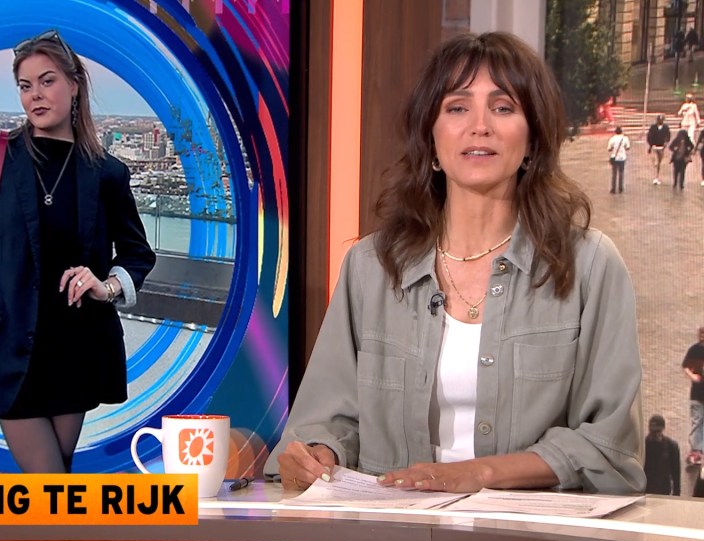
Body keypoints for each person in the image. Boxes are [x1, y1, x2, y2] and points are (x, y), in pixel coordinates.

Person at [265, 32, 645, 495]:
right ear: (431, 136)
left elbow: (610, 447)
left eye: (503, 107)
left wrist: (480, 474)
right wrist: (318, 454)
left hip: (526, 535)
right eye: (458, 107)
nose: (479, 126)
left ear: (532, 139)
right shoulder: (371, 266)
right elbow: (324, 423)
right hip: (392, 531)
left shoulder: (589, 266)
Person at [0, 29, 155, 473]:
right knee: (51, 484)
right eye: (25, 85)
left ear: (74, 85)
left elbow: (137, 254)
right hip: (6, 349)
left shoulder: (107, 172)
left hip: (76, 351)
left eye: (47, 81)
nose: (35, 95)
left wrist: (105, 287)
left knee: (53, 490)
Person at [682, 327, 704, 467]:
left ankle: (700, 451)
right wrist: (692, 376)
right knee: (697, 422)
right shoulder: (694, 350)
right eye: (701, 335)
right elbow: (685, 366)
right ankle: (696, 452)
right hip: (697, 394)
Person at [644, 415, 680, 496]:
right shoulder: (643, 445)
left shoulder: (671, 446)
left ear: (663, 429)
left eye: (658, 431)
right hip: (646, 489)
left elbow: (676, 473)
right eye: (653, 431)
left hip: (663, 489)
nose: (656, 435)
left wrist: (676, 494)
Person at [646, 114, 671, 185]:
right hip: (654, 147)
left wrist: (666, 142)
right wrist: (650, 145)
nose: (660, 121)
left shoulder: (665, 127)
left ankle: (657, 176)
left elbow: (668, 136)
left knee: (659, 162)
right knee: (655, 162)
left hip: (661, 147)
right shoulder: (653, 127)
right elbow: (649, 136)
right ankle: (655, 177)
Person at [606, 126, 630, 194]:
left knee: (614, 173)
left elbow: (609, 149)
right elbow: (628, 148)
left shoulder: (612, 139)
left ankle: (613, 189)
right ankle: (620, 188)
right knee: (621, 173)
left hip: (614, 158)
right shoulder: (625, 138)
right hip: (622, 157)